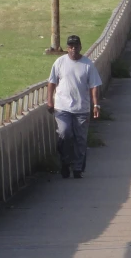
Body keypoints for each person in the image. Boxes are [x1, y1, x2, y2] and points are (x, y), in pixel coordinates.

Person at [47, 35, 103, 179]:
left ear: (80, 47)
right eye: (71, 47)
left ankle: (77, 168)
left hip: (81, 109)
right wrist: (49, 101)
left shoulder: (87, 64)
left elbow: (94, 86)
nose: (73, 49)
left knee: (80, 139)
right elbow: (52, 82)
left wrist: (96, 105)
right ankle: (65, 163)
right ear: (67, 48)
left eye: (76, 46)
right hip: (62, 107)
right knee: (65, 134)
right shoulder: (59, 62)